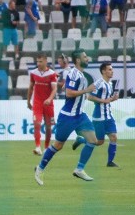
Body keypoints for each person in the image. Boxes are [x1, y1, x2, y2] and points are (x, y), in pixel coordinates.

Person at [34, 49, 97, 186]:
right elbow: (68, 93)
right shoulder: (74, 74)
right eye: (85, 57)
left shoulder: (81, 74)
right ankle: (39, 168)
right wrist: (86, 90)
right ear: (78, 60)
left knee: (93, 140)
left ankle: (79, 169)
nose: (87, 59)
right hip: (68, 117)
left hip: (80, 115)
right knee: (58, 145)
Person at [75, 62, 119, 167]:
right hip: (99, 117)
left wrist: (112, 99)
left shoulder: (110, 83)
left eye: (112, 69)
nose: (112, 71)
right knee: (99, 142)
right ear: (103, 71)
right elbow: (89, 97)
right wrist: (104, 101)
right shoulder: (99, 83)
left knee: (113, 137)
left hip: (108, 116)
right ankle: (81, 140)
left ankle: (110, 161)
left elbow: (106, 100)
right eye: (109, 69)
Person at [27, 54, 58, 156]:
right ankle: (37, 147)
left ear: (45, 61)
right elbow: (31, 88)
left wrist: (49, 99)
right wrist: (28, 101)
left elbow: (54, 89)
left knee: (48, 127)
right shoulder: (33, 73)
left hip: (48, 104)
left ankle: (46, 147)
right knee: (37, 124)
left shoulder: (52, 74)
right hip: (37, 103)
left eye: (40, 61)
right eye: (37, 62)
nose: (38, 64)